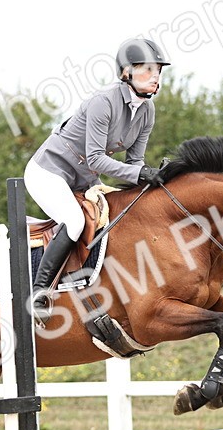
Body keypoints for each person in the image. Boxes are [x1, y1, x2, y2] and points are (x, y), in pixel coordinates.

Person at [24, 37, 171, 318]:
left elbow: (135, 162)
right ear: (126, 72)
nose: (156, 77)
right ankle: (39, 291)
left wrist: (155, 177)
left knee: (117, 216)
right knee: (75, 221)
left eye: (159, 71)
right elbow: (96, 159)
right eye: (148, 70)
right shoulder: (103, 102)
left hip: (85, 179)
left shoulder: (147, 111)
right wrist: (141, 173)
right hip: (49, 172)